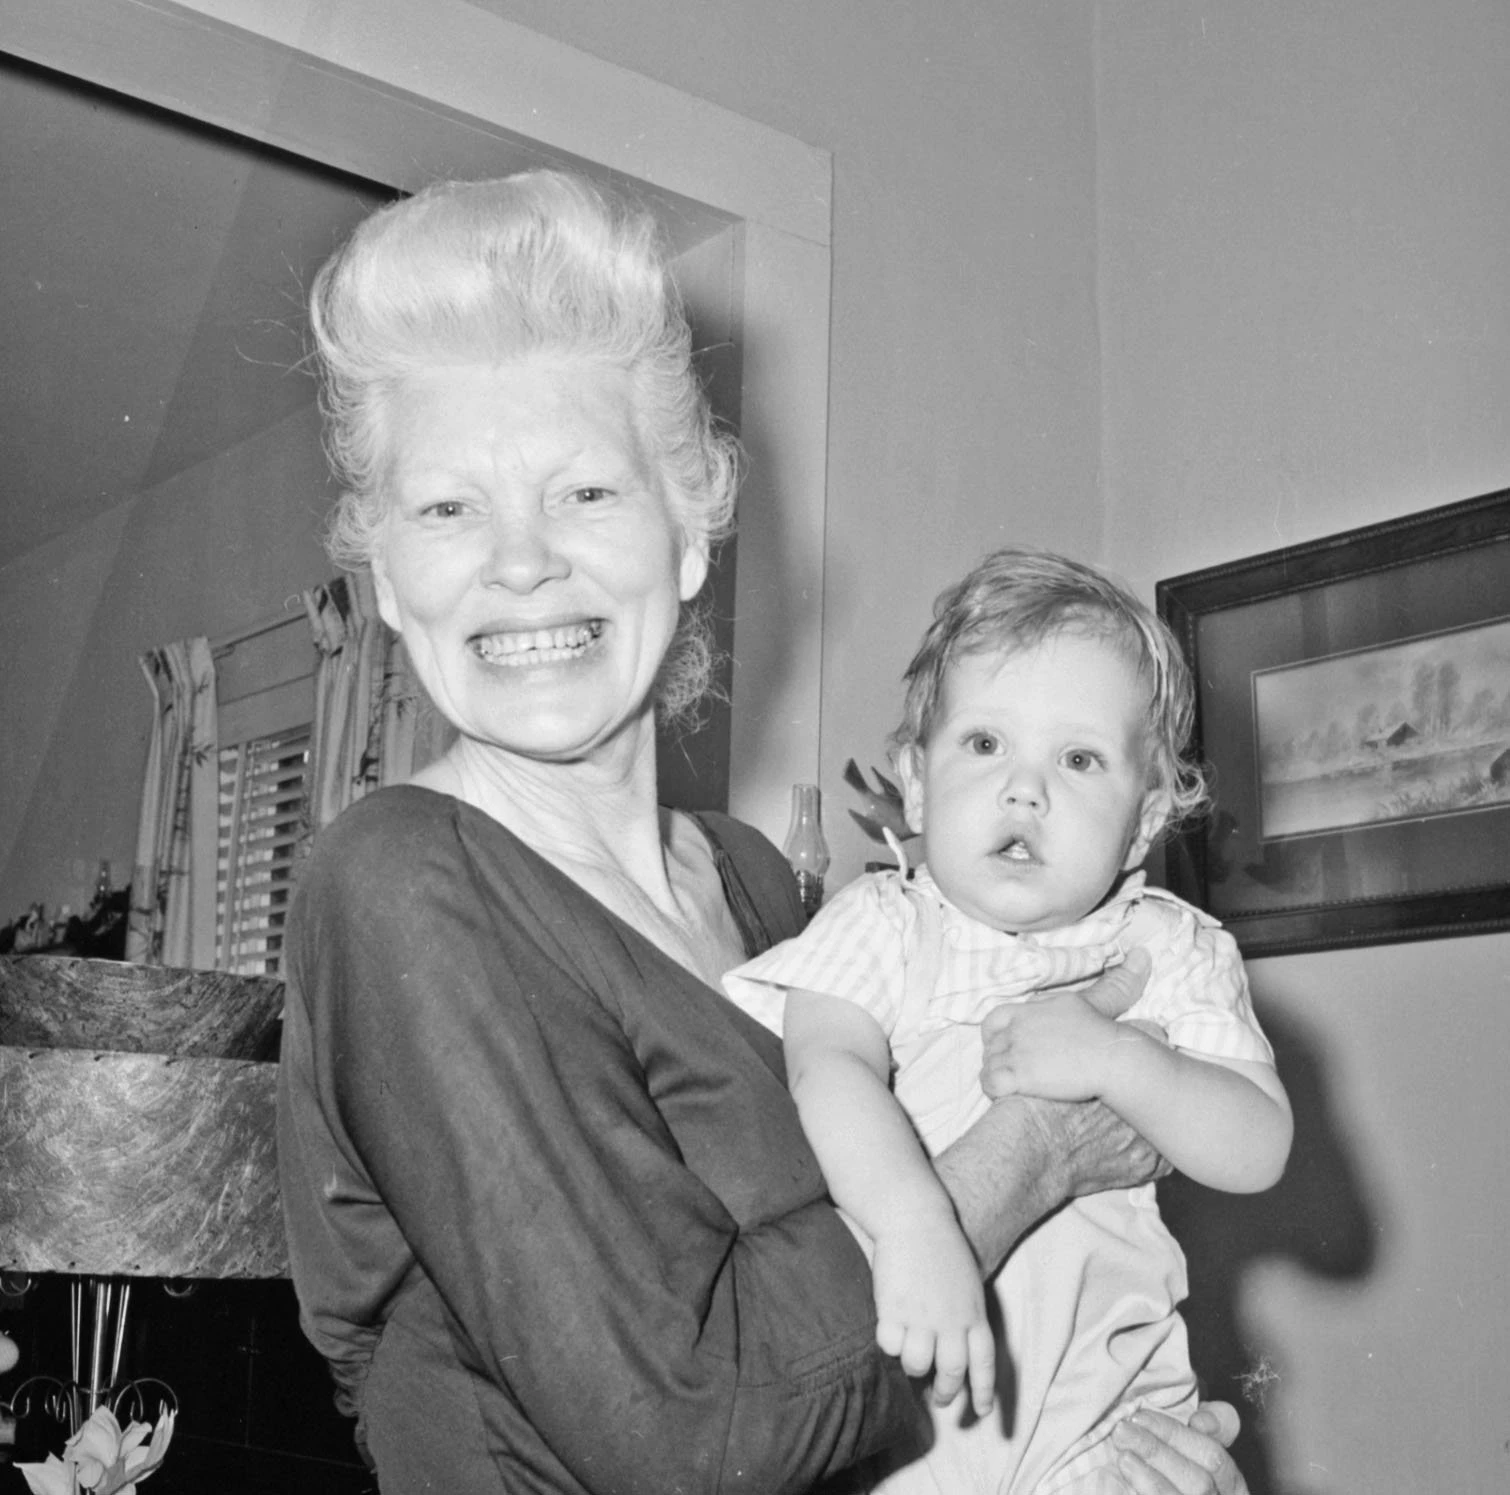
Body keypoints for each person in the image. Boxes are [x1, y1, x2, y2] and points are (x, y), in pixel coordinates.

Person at [274, 170, 1251, 1495]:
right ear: (388, 575)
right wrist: (1040, 1146)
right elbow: (692, 1426)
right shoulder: (396, 875)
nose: (520, 561)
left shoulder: (747, 876)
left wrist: (1117, 1450)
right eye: (448, 507)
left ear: (688, 538)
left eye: (584, 493)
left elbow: (849, 1384)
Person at [725, 547, 1292, 1494]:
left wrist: (1118, 1059)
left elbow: (1259, 1144)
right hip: (907, 1441)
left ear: (1146, 816)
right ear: (916, 782)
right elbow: (827, 1068)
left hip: (1107, 1437)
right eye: (985, 743)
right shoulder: (883, 924)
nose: (1026, 788)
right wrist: (915, 1224)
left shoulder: (1165, 945)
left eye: (1079, 758)